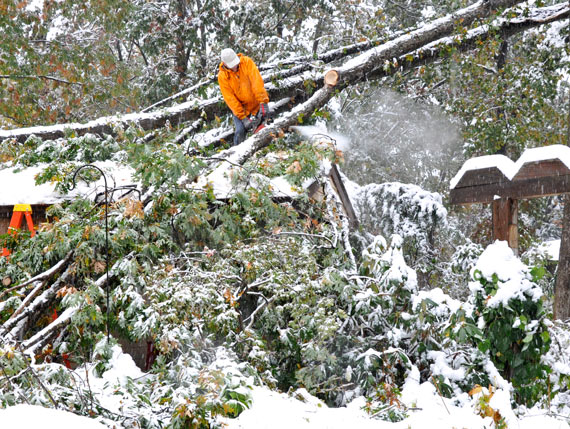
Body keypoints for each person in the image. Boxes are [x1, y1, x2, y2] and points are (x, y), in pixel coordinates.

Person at [218, 48, 270, 146]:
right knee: (240, 131)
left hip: (256, 102)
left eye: (235, 63)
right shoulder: (222, 77)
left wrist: (263, 102)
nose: (234, 66)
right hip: (242, 108)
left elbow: (256, 82)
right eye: (231, 65)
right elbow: (230, 99)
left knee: (266, 123)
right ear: (224, 63)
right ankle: (237, 154)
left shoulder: (246, 62)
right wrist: (243, 117)